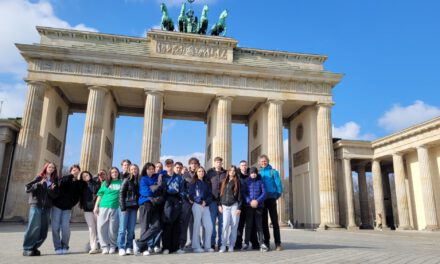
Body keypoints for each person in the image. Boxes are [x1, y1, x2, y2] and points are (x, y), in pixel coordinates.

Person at [23, 162, 59, 257]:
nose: (51, 168)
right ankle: (27, 248)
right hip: (36, 206)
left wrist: (51, 190)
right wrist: (38, 184)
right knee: (34, 228)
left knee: (44, 231)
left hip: (47, 208)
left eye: (53, 167)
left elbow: (55, 196)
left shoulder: (54, 181)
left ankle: (34, 247)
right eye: (50, 167)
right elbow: (27, 188)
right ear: (46, 167)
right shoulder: (39, 177)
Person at [51, 164, 82, 254]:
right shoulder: (64, 178)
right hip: (57, 205)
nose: (75, 171)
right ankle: (57, 247)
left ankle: (65, 245)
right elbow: (61, 184)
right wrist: (70, 176)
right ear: (70, 171)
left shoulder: (78, 183)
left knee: (65, 227)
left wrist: (71, 204)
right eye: (73, 170)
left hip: (67, 208)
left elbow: (77, 197)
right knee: (55, 227)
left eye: (77, 170)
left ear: (79, 172)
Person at [94, 167, 122, 254]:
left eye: (116, 172)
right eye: (112, 172)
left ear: (118, 173)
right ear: (110, 174)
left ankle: (113, 246)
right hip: (103, 206)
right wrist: (96, 206)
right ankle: (104, 246)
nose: (114, 173)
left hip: (116, 207)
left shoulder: (122, 182)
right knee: (101, 227)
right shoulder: (105, 183)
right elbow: (100, 195)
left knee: (113, 228)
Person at [259, 154, 283, 251]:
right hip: (262, 200)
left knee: (274, 222)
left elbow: (279, 185)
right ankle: (267, 243)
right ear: (259, 163)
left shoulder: (273, 172)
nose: (263, 162)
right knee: (264, 222)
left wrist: (276, 195)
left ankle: (278, 243)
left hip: (271, 199)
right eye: (262, 161)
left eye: (265, 161)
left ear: (267, 161)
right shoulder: (259, 173)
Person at [242, 167, 268, 252]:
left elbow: (264, 193)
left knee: (259, 226)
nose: (253, 174)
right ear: (249, 173)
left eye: (255, 173)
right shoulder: (246, 182)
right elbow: (244, 193)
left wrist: (257, 201)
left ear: (257, 173)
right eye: (252, 173)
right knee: (248, 225)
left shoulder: (261, 181)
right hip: (249, 206)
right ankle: (246, 243)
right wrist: (250, 201)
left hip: (259, 206)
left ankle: (262, 243)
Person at [235, 160, 259, 250]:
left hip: (250, 204)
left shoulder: (252, 174)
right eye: (242, 165)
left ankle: (254, 243)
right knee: (240, 225)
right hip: (240, 204)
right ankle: (238, 244)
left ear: (247, 166)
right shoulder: (237, 176)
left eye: (245, 165)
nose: (244, 167)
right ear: (240, 166)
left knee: (252, 225)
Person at [189, 167, 214, 253]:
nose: (201, 172)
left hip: (206, 206)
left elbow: (210, 195)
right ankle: (196, 246)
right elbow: (191, 194)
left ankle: (207, 246)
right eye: (199, 171)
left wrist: (206, 202)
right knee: (196, 225)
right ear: (196, 172)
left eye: (203, 171)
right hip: (197, 205)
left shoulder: (207, 182)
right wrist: (200, 201)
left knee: (209, 226)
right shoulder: (193, 182)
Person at [161, 159, 184, 254]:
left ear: (173, 166)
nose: (170, 166)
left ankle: (175, 247)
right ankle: (166, 247)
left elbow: (182, 190)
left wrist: (181, 199)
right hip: (167, 200)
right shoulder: (163, 177)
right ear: (166, 166)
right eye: (168, 165)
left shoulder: (179, 178)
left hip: (177, 200)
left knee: (176, 224)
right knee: (168, 223)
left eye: (171, 164)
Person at [218, 166, 242, 253]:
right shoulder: (223, 181)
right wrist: (219, 205)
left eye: (234, 170)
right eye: (230, 170)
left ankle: (231, 245)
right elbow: (220, 194)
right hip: (224, 206)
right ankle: (223, 245)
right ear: (228, 171)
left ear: (235, 172)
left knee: (234, 225)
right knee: (225, 226)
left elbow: (240, 195)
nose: (232, 172)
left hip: (234, 205)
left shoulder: (237, 182)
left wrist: (239, 207)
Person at [118, 164, 139, 256]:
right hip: (125, 207)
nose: (134, 170)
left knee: (131, 230)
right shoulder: (126, 180)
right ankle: (121, 247)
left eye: (135, 169)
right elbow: (121, 194)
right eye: (132, 169)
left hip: (134, 208)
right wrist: (122, 207)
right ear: (129, 170)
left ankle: (129, 247)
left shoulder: (138, 181)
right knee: (122, 229)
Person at [178, 157, 199, 252]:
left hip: (197, 202)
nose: (193, 165)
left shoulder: (200, 174)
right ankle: (181, 244)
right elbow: (182, 189)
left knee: (195, 223)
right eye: (192, 163)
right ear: (189, 165)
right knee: (185, 223)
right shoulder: (185, 174)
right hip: (187, 202)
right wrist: (188, 198)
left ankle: (194, 242)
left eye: (195, 163)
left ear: (197, 165)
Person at [206, 156, 226, 250]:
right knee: (212, 223)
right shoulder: (209, 173)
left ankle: (221, 243)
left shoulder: (226, 173)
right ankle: (212, 243)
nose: (218, 163)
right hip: (212, 201)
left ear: (222, 163)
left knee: (222, 224)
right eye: (217, 162)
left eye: (220, 162)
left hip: (223, 201)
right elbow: (206, 186)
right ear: (214, 163)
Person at [79, 170, 101, 254]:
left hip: (96, 208)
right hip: (87, 209)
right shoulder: (82, 186)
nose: (85, 177)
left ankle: (103, 245)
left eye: (87, 175)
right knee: (91, 228)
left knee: (99, 227)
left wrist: (92, 181)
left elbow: (97, 192)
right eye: (83, 176)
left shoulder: (96, 183)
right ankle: (93, 247)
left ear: (90, 175)